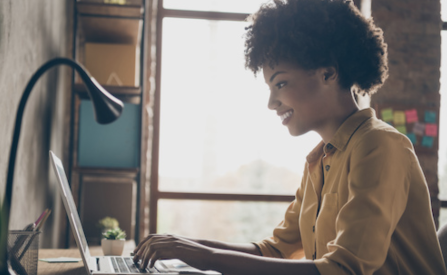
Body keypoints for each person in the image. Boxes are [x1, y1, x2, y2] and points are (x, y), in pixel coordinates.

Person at [134, 0, 447, 274]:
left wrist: (206, 257)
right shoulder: (320, 160)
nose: (271, 103)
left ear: (328, 73)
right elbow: (275, 250)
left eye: (280, 84)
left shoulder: (379, 146)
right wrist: (184, 246)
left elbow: (343, 270)